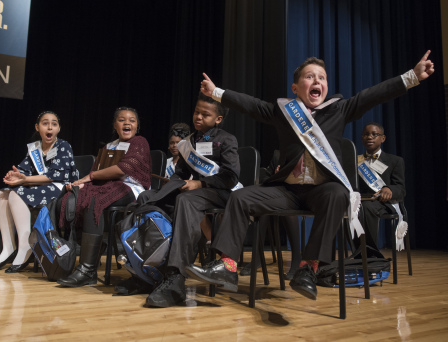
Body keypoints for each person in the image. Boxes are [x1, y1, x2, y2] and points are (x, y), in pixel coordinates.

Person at [185, 51, 434, 301]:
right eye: (309, 77)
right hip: (287, 191)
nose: (317, 81)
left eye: (322, 77)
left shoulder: (340, 109)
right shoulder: (284, 111)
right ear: (296, 87)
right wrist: (217, 92)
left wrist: (412, 76)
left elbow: (374, 94)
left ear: (326, 86)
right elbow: (252, 105)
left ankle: (308, 268)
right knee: (241, 197)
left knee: (338, 194)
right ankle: (227, 266)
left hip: (322, 191)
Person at [137, 92, 240, 308]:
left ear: (218, 119)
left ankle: (176, 279)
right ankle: (144, 270)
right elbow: (181, 173)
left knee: (186, 200)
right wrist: (167, 189)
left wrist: (201, 184)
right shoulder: (188, 142)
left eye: (205, 114)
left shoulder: (226, 139)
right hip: (196, 194)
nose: (198, 117)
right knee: (147, 197)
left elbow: (231, 177)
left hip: (219, 194)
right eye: (196, 112)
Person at [57, 107, 152, 287]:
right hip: (105, 186)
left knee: (96, 202)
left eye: (132, 120)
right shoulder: (109, 147)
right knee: (73, 198)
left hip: (130, 188)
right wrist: (79, 184)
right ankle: (91, 249)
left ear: (137, 125)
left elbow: (124, 169)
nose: (127, 123)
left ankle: (87, 270)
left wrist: (90, 178)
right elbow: (96, 172)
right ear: (115, 125)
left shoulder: (140, 142)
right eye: (122, 120)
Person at [0, 111, 78, 273]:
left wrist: (24, 180)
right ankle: (8, 247)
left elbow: (55, 176)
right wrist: (14, 175)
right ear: (37, 127)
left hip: (61, 187)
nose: (50, 127)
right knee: (3, 193)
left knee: (17, 192)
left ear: (58, 128)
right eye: (45, 123)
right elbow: (23, 171)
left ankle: (25, 247)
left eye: (54, 124)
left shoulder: (63, 145)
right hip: (40, 186)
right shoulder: (35, 148)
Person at [239, 150, 301, 280]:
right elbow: (265, 180)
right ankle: (257, 258)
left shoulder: (303, 154)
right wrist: (277, 177)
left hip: (299, 196)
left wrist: (286, 177)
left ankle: (296, 259)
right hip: (278, 195)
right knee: (262, 206)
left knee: (288, 209)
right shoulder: (279, 155)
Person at [355, 122, 406, 257]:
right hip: (361, 201)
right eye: (366, 134)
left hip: (384, 203)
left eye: (374, 134)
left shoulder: (395, 161)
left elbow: (401, 188)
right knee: (351, 208)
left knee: (366, 208)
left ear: (383, 138)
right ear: (362, 138)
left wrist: (389, 189)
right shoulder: (356, 161)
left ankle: (370, 257)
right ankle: (358, 254)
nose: (369, 137)